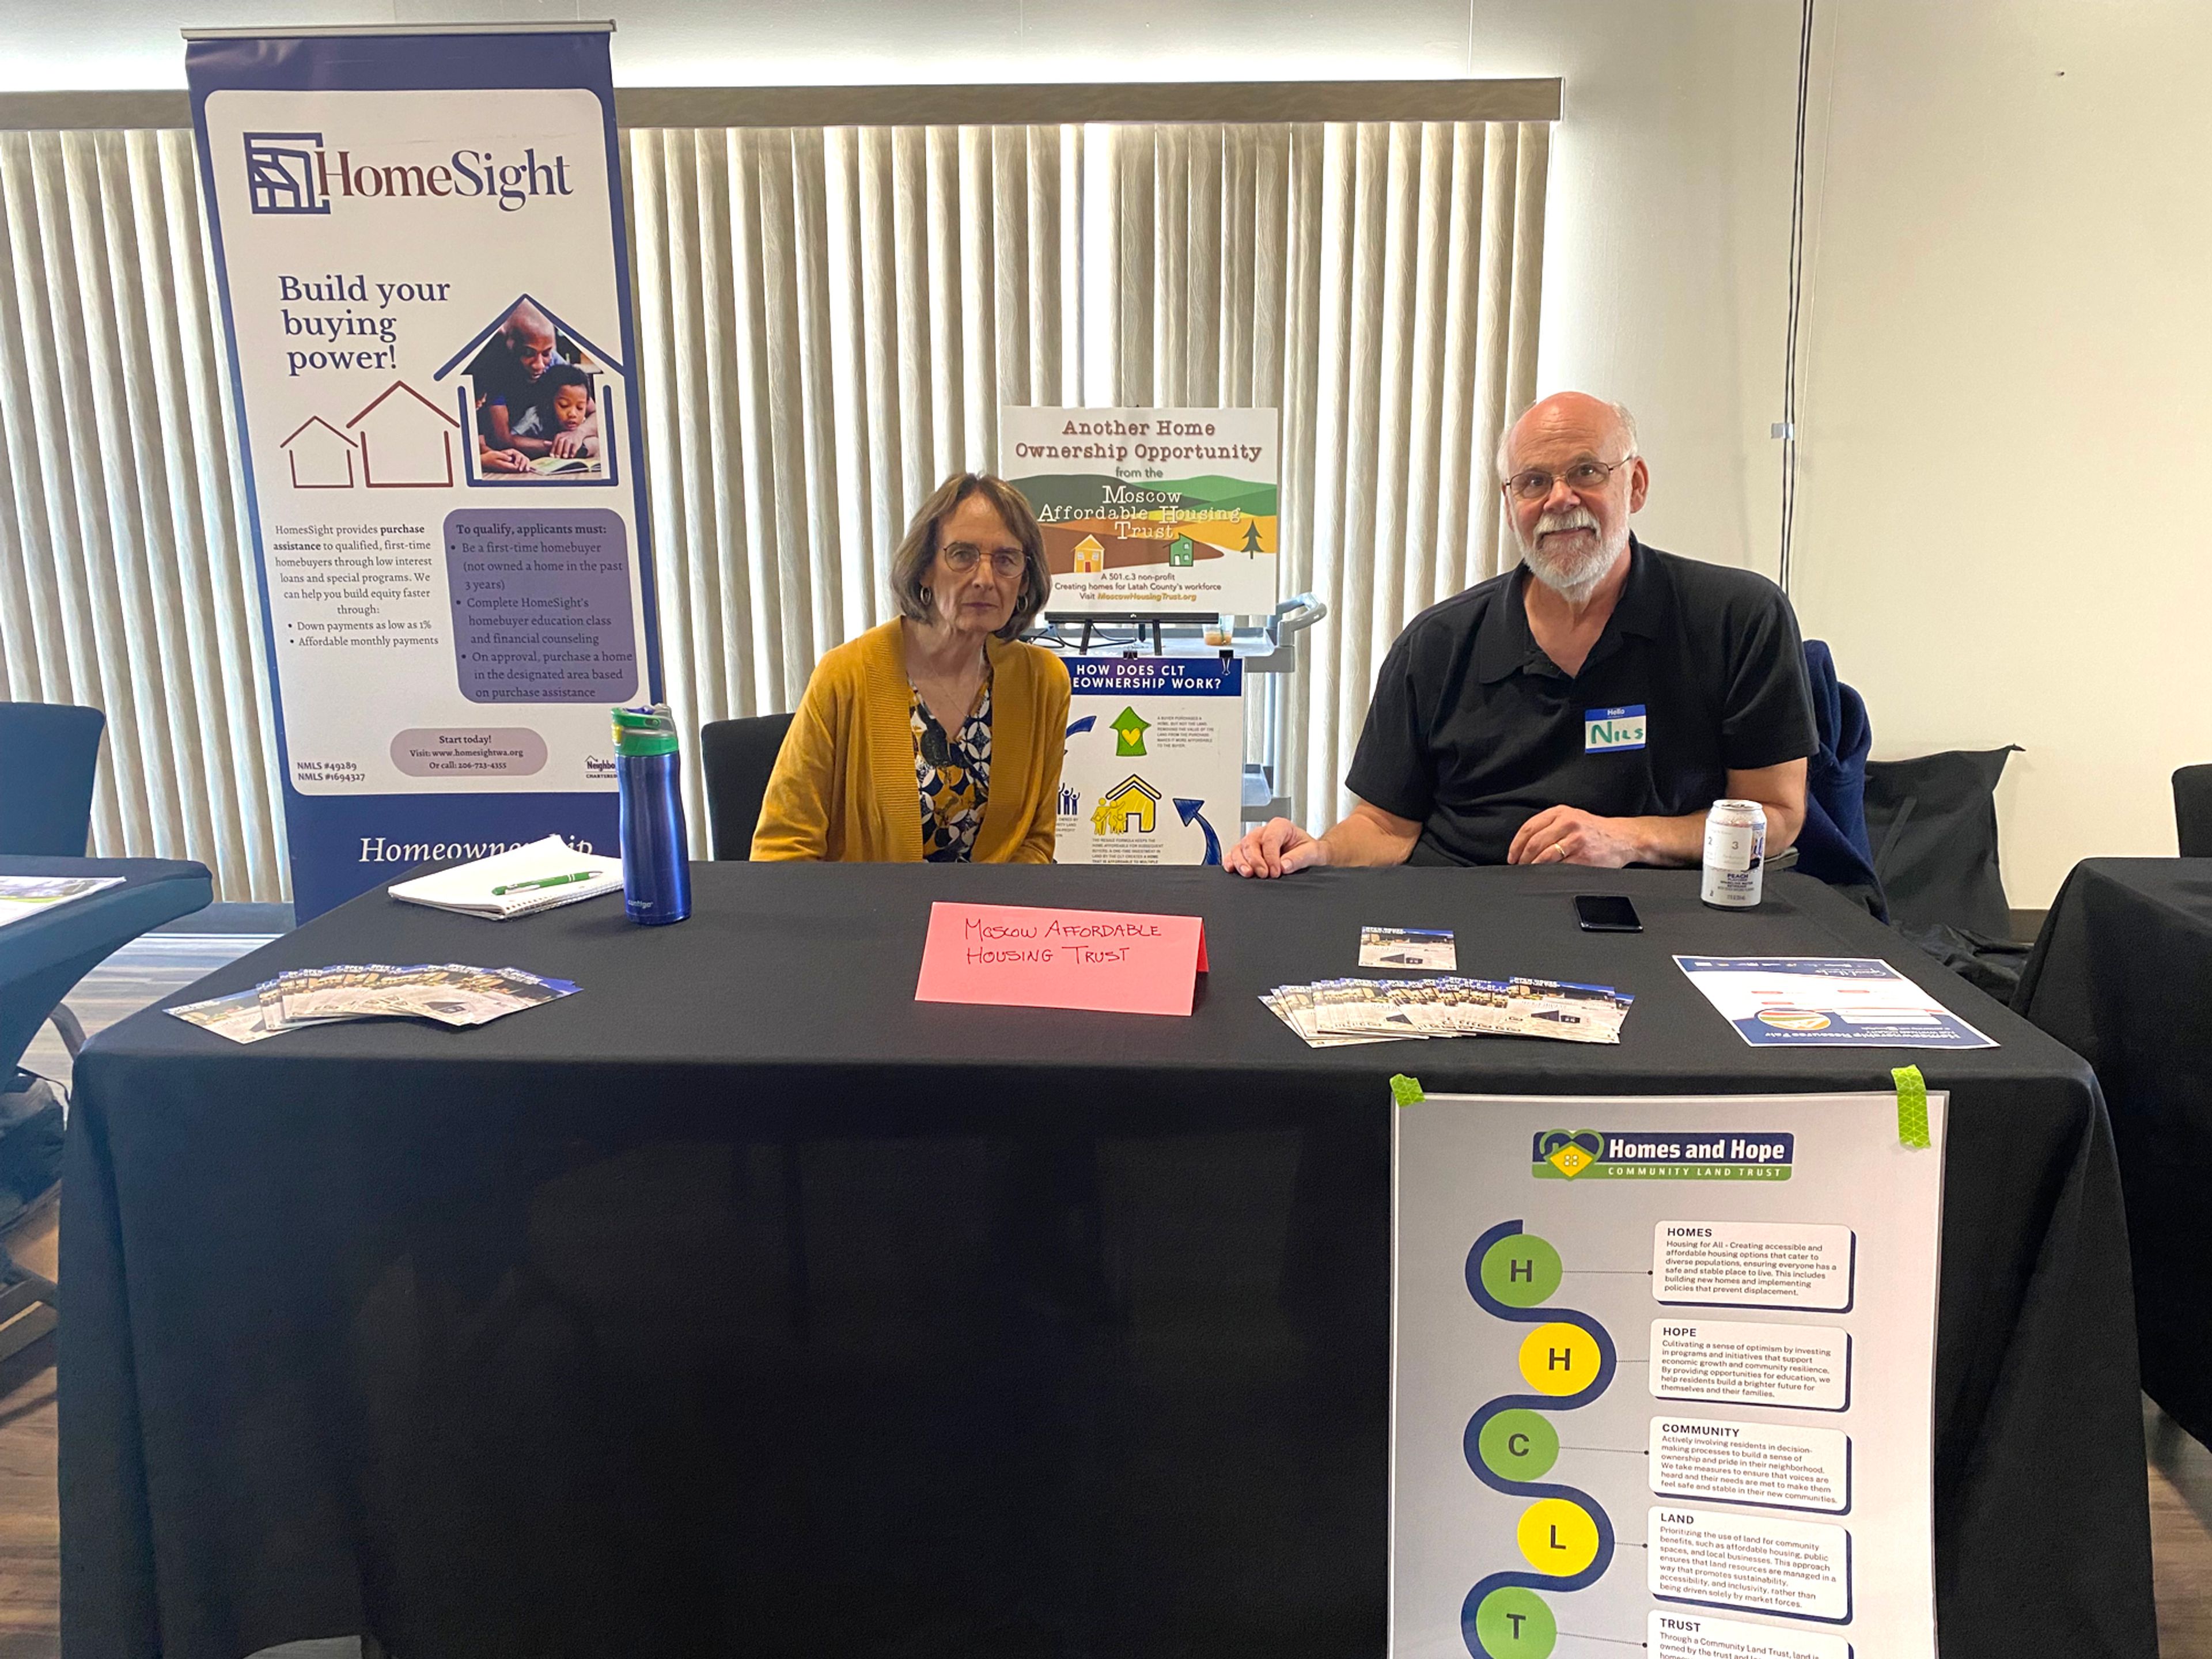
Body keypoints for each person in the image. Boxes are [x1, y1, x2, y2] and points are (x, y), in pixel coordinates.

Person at [1228, 392, 1814, 876]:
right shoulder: (1437, 645)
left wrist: (1627, 839)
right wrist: (1318, 851)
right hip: (1468, 913)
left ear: (1635, 485)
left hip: (1658, 914)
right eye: (1533, 482)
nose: (1560, 499)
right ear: (1510, 507)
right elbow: (1386, 826)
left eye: (1586, 471)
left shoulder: (1739, 618)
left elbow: (1776, 814)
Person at [753, 472, 1070, 862]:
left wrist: (990, 919)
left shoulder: (1043, 682)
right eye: (963, 555)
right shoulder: (844, 676)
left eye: (1006, 560)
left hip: (988, 921)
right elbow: (783, 849)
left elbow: (1036, 842)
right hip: (866, 918)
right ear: (925, 568)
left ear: (1024, 581)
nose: (985, 579)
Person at [472, 301, 566, 471]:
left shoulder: (553, 362)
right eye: (528, 353)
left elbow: (593, 411)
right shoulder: (493, 368)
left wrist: (577, 435)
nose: (539, 365)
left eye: (546, 353)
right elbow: (498, 440)